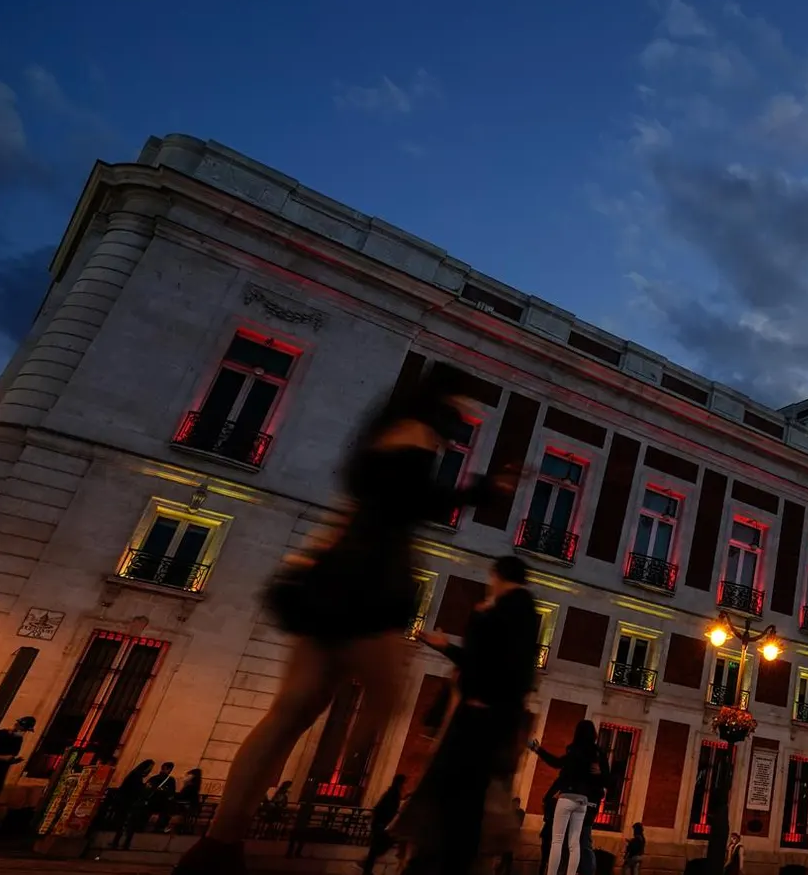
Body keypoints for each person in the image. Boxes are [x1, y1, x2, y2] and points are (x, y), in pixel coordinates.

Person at [174, 368, 514, 875]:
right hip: (370, 578)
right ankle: (337, 787)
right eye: (461, 408)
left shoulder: (379, 434)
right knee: (386, 699)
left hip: (329, 574)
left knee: (291, 711)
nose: (461, 422)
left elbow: (372, 497)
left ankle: (219, 846)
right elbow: (407, 502)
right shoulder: (416, 432)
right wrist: (480, 492)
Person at [401, 554, 540, 875]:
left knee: (453, 803)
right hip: (496, 720)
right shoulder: (525, 613)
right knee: (468, 805)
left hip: (478, 718)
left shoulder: (502, 611)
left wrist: (459, 638)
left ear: (497, 576)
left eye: (492, 579)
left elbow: (485, 664)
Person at [530, 721, 605, 875]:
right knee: (574, 843)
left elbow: (556, 762)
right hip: (582, 801)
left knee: (557, 840)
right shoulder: (595, 755)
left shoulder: (573, 752)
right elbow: (600, 780)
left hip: (567, 797)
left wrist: (538, 749)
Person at [106, 760, 155, 849]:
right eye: (149, 769)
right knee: (127, 823)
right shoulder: (136, 776)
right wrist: (145, 787)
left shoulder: (134, 775)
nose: (149, 771)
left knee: (123, 823)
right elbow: (136, 789)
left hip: (125, 802)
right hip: (128, 802)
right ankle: (121, 843)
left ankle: (117, 842)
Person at [361, 775, 405, 873]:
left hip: (380, 823)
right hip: (382, 824)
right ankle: (367, 868)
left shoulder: (390, 793)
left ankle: (367, 868)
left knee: (375, 849)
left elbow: (380, 808)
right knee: (377, 848)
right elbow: (387, 810)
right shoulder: (394, 794)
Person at [0, 716, 33, 794]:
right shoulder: (0, 735)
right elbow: (4, 757)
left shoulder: (18, 740)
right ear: (17, 726)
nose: (24, 732)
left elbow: (11, 756)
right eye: (24, 729)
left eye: (26, 730)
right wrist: (2, 758)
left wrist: (13, 761)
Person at [168, 769, 204, 834]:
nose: (185, 777)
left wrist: (172, 796)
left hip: (186, 808)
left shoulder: (190, 787)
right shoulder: (193, 787)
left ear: (192, 777)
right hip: (188, 808)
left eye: (187, 775)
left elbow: (182, 796)